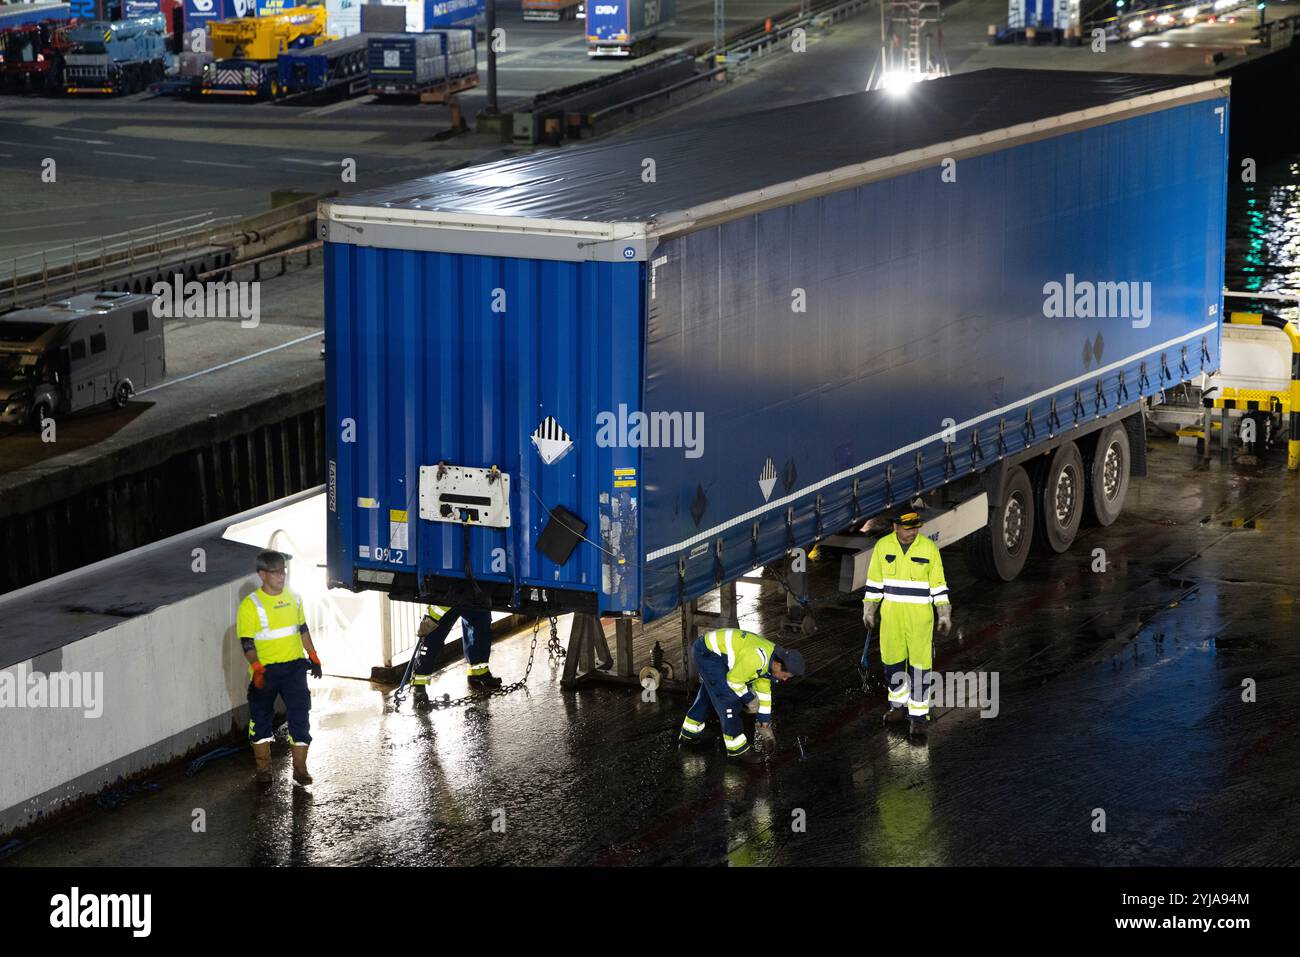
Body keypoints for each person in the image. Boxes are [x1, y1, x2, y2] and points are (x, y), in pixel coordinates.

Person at [863, 512, 951, 739]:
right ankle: (898, 708)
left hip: (920, 620)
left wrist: (943, 614)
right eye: (908, 528)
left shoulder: (928, 548)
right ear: (895, 526)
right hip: (892, 619)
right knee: (892, 663)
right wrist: (869, 610)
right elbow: (874, 584)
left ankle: (918, 719)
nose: (913, 532)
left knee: (920, 668)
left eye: (916, 528)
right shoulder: (883, 547)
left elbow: (939, 585)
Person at [238, 550, 321, 786]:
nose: (281, 577)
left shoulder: (294, 597)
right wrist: (256, 667)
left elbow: (302, 628)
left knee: (300, 717)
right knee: (260, 718)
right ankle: (263, 769)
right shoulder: (250, 605)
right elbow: (247, 642)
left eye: (282, 571)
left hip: (294, 668)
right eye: (275, 573)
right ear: (262, 574)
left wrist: (313, 656)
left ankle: (300, 770)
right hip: (265, 671)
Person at [678, 628, 805, 764]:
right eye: (785, 676)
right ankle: (736, 750)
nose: (785, 679)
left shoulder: (770, 660)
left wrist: (765, 722)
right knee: (729, 698)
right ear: (778, 665)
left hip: (720, 656)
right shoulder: (756, 658)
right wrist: (749, 698)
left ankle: (689, 733)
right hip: (708, 654)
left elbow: (764, 692)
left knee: (711, 692)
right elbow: (733, 681)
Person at [410, 605, 501, 708]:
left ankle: (478, 672)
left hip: (474, 595)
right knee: (432, 639)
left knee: (481, 630)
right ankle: (419, 685)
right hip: (445, 598)